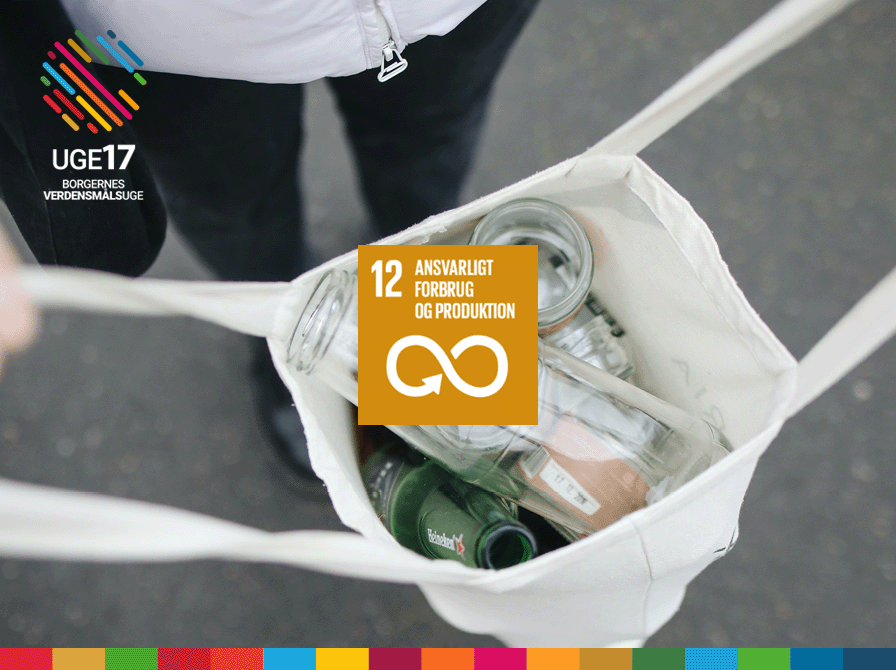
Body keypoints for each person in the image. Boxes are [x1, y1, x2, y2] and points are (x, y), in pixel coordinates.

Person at [1, 0, 539, 484]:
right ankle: (288, 327)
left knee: (428, 156)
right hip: (166, 35)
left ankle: (427, 305)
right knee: (233, 205)